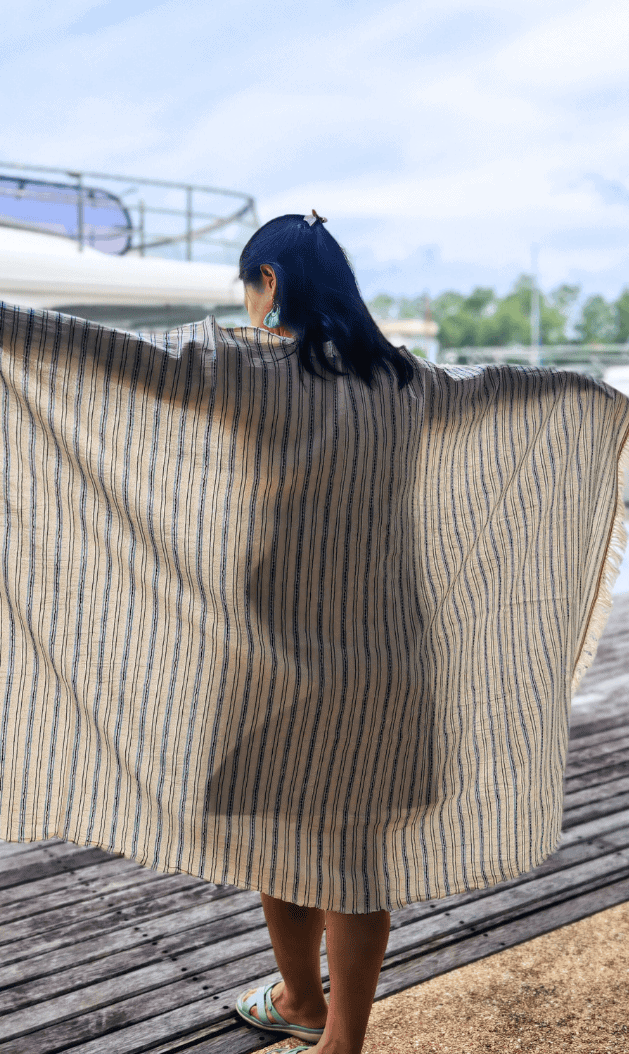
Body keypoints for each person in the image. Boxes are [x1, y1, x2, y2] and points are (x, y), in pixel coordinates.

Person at [234, 211, 411, 1054]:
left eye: (247, 288)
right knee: (357, 848)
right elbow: (520, 391)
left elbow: (93, 356)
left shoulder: (252, 370)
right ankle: (334, 1032)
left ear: (270, 281)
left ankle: (306, 1003)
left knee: (277, 825)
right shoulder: (410, 380)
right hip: (391, 654)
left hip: (282, 652)